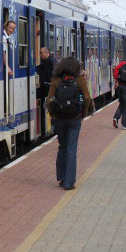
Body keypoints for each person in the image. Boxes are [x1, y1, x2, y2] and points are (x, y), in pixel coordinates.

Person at [46, 57, 92, 190]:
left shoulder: (56, 80)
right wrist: (83, 113)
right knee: (72, 149)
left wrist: (53, 114)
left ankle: (61, 178)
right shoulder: (80, 80)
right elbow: (87, 98)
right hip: (75, 118)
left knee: (62, 147)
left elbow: (49, 100)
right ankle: (69, 182)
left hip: (59, 118)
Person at [37, 47, 57, 133]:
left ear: (46, 53)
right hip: (45, 88)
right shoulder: (45, 62)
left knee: (52, 107)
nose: (40, 55)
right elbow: (39, 68)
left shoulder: (52, 61)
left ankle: (54, 127)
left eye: (41, 53)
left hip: (50, 88)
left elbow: (55, 74)